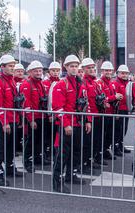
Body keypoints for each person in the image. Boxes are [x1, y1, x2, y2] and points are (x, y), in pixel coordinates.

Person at [52, 55, 91, 193]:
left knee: (76, 152)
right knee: (62, 154)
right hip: (67, 125)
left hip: (79, 124)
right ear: (66, 67)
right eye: (71, 66)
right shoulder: (61, 84)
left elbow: (86, 104)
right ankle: (56, 182)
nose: (74, 68)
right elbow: (58, 107)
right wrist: (66, 124)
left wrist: (88, 121)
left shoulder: (81, 83)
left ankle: (71, 175)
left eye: (76, 66)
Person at [0, 55, 23, 186]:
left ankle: (9, 168)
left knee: (10, 147)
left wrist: (18, 119)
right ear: (2, 67)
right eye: (10, 66)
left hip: (13, 119)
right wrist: (4, 122)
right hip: (4, 122)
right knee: (0, 149)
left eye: (13, 66)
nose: (12, 68)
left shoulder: (12, 81)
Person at [21, 60, 48, 173]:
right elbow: (26, 104)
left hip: (41, 116)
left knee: (39, 140)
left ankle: (37, 158)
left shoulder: (40, 83)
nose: (38, 73)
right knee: (30, 141)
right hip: (33, 118)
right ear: (30, 72)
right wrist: (31, 119)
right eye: (35, 71)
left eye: (40, 70)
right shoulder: (27, 84)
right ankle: (27, 162)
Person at [97, 61, 122, 161]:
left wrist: (117, 98)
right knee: (102, 135)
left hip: (111, 113)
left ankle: (106, 150)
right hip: (103, 113)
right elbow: (101, 99)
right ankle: (99, 153)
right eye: (106, 70)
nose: (108, 72)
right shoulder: (99, 83)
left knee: (109, 134)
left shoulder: (111, 84)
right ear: (102, 71)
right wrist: (114, 97)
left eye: (110, 70)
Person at [112, 65, 132, 156]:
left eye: (126, 73)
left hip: (126, 109)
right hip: (118, 110)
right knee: (118, 130)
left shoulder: (129, 83)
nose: (124, 75)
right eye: (122, 73)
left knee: (124, 129)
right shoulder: (116, 83)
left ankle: (120, 144)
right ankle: (115, 147)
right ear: (118, 73)